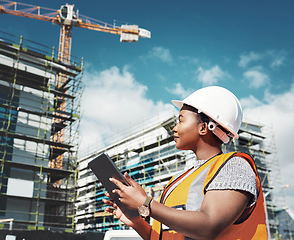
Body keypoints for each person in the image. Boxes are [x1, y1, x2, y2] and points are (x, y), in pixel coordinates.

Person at [103, 86, 267, 240]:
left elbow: (209, 226)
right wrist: (138, 223)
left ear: (203, 128)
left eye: (181, 120)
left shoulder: (234, 166)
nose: (175, 128)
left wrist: (145, 203)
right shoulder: (179, 180)